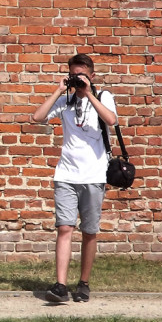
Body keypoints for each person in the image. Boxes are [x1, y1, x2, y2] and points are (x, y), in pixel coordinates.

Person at [30, 54, 118, 304]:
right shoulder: (65, 102)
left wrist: (89, 92)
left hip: (94, 174)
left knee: (89, 231)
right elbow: (37, 118)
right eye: (73, 75)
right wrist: (58, 91)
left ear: (91, 75)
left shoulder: (103, 96)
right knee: (65, 227)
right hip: (66, 174)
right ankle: (60, 285)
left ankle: (84, 283)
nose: (77, 79)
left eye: (82, 75)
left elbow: (111, 120)